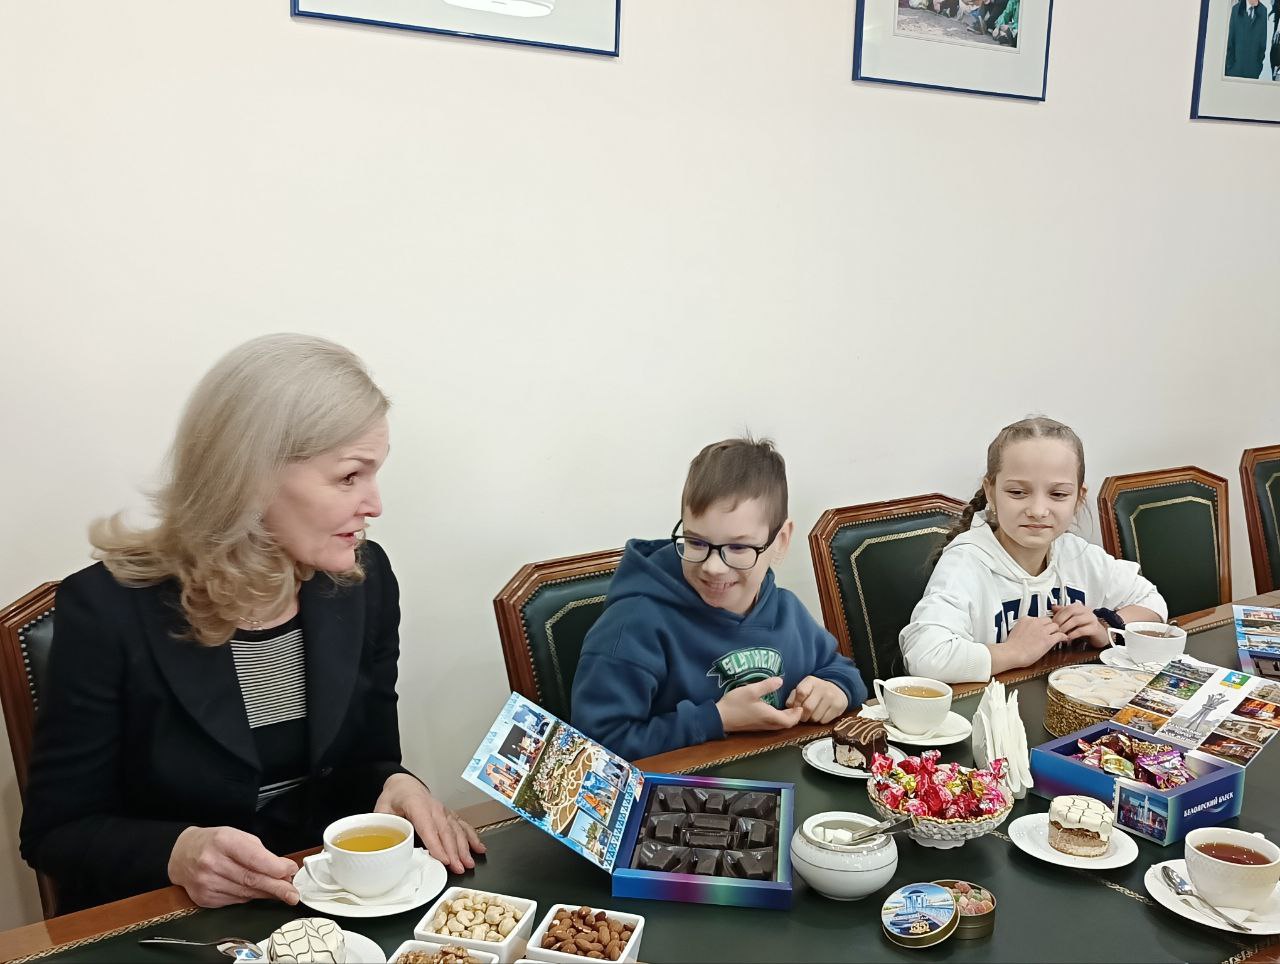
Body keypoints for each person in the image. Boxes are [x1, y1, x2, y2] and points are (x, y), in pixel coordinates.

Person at [19, 334, 484, 913]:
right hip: (179, 921)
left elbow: (367, 762)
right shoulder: (106, 609)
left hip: (327, 902)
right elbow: (56, 831)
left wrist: (398, 783)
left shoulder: (364, 582)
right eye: (349, 477)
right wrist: (176, 852)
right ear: (251, 476)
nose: (375, 504)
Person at [570, 437, 867, 760]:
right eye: (696, 542)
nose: (713, 567)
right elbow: (591, 750)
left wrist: (836, 689)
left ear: (781, 540)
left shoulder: (787, 610)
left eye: (738, 547)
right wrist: (717, 718)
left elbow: (841, 670)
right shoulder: (632, 625)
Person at [900, 417, 1167, 685]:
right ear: (990, 492)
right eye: (1017, 492)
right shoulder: (965, 563)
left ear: (1078, 498)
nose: (1038, 510)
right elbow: (924, 657)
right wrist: (1013, 652)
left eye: (1058, 494)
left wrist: (1105, 627)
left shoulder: (1077, 554)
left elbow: (1152, 602)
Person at [1226, 0, 1269, 79]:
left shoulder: (1263, 11)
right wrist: (1230, 68)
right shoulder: (1236, 9)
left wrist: (1257, 68)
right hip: (1234, 72)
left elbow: (1262, 44)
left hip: (1252, 74)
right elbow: (1230, 42)